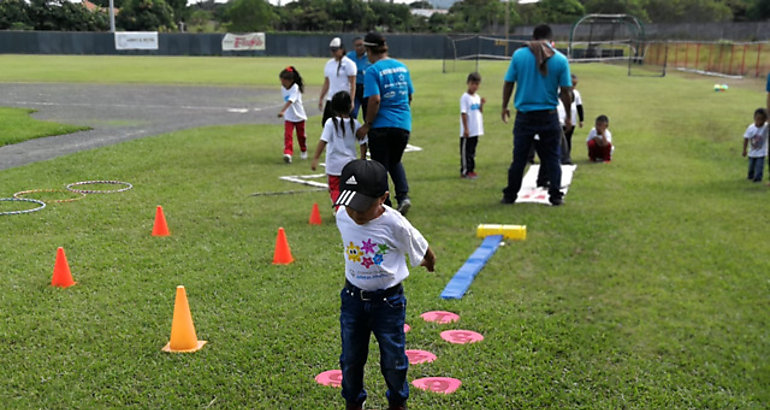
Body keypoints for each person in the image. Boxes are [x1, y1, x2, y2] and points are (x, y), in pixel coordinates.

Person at [332, 158, 436, 410]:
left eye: (362, 207)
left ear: (383, 198)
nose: (355, 213)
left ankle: (397, 401)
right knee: (351, 359)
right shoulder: (341, 215)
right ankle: (354, 402)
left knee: (393, 358)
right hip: (353, 300)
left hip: (388, 303)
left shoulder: (395, 224)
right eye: (350, 205)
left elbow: (421, 248)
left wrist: (429, 262)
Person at [501, 24, 572, 206]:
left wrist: (504, 106)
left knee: (519, 158)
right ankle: (555, 196)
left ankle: (510, 195)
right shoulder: (560, 59)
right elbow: (565, 91)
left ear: (533, 37)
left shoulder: (519, 55)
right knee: (552, 158)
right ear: (550, 38)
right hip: (548, 115)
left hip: (524, 115)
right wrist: (569, 115)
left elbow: (509, 83)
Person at [356, 31, 414, 215]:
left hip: (381, 125)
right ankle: (403, 197)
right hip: (403, 124)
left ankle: (385, 204)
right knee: (395, 161)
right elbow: (409, 95)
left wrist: (367, 124)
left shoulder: (373, 70)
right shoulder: (402, 67)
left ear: (369, 50)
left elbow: (375, 99)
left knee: (379, 166)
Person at [311, 91, 368, 210]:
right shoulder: (356, 124)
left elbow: (323, 141)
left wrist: (316, 158)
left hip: (334, 165)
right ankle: (349, 208)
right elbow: (363, 143)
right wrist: (362, 159)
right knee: (349, 188)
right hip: (350, 165)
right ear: (350, 106)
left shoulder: (330, 123)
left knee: (335, 189)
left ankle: (339, 209)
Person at [319, 37, 357, 127]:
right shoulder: (329, 64)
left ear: (342, 49)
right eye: (332, 50)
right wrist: (321, 98)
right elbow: (327, 83)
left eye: (335, 50)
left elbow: (352, 84)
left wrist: (351, 101)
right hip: (331, 98)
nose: (333, 53)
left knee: (342, 125)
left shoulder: (349, 64)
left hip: (343, 99)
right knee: (326, 124)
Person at [277, 66, 307, 164]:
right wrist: (285, 113)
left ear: (291, 80)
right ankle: (288, 153)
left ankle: (303, 149)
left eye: (284, 81)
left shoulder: (295, 88)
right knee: (288, 135)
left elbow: (290, 101)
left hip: (299, 116)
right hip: (289, 117)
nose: (282, 83)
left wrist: (282, 111)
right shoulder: (283, 88)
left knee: (301, 136)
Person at [459, 72, 485, 179]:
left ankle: (471, 170)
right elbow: (464, 113)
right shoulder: (465, 98)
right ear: (468, 83)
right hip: (468, 130)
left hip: (476, 129)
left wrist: (482, 104)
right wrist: (466, 128)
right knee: (466, 152)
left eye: (477, 84)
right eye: (473, 83)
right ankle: (465, 171)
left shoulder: (477, 97)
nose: (475, 86)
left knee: (472, 152)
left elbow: (479, 111)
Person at [559, 73, 584, 163]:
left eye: (575, 84)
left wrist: (581, 120)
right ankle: (558, 156)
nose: (573, 86)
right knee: (559, 139)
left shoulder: (576, 94)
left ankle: (566, 156)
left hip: (571, 120)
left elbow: (579, 106)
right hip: (560, 119)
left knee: (567, 138)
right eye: (571, 84)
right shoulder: (559, 91)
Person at [742, 108, 768, 182]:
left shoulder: (766, 127)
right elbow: (746, 138)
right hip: (752, 153)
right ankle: (750, 176)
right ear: (754, 118)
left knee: (759, 166)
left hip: (761, 153)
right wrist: (744, 150)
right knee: (751, 166)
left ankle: (758, 178)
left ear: (765, 119)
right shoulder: (751, 128)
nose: (760, 121)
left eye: (762, 119)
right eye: (758, 119)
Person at [347, 37, 370, 121]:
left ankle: (368, 132)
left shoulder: (369, 56)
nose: (360, 47)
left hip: (367, 88)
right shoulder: (350, 56)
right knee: (352, 113)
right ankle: (351, 132)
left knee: (368, 115)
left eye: (361, 45)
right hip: (354, 88)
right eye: (357, 45)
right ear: (354, 46)